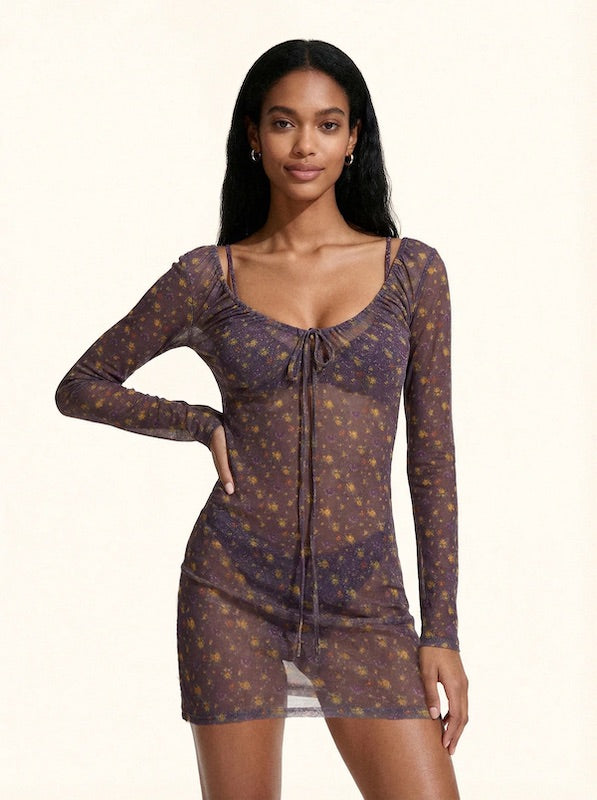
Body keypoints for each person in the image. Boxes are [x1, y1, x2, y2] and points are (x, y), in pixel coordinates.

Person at [55, 39, 468, 800]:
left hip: (366, 599)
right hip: (231, 588)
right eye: (283, 123)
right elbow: (81, 385)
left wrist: (439, 630)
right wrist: (197, 421)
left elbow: (432, 458)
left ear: (353, 137)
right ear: (253, 135)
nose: (305, 145)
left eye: (327, 124)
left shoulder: (412, 271)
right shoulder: (209, 276)